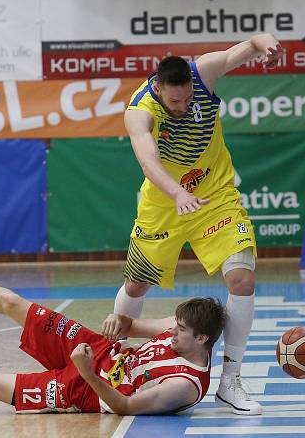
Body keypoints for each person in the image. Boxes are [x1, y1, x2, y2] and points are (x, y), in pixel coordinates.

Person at [106, 35, 283, 414]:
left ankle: (230, 380)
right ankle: (114, 359)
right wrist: (176, 194)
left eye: (188, 99)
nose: (184, 106)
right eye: (175, 101)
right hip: (165, 202)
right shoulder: (139, 110)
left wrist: (268, 46)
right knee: (136, 285)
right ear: (158, 87)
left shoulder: (202, 73)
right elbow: (148, 162)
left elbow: (249, 44)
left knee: (242, 278)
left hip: (214, 194)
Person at [0, 241, 226, 415]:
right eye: (174, 326)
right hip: (99, 350)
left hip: (86, 391)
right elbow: (132, 324)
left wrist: (85, 374)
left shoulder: (183, 385)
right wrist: (120, 321)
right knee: (18, 305)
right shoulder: (182, 331)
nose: (172, 332)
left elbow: (125, 406)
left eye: (179, 331)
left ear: (202, 340)